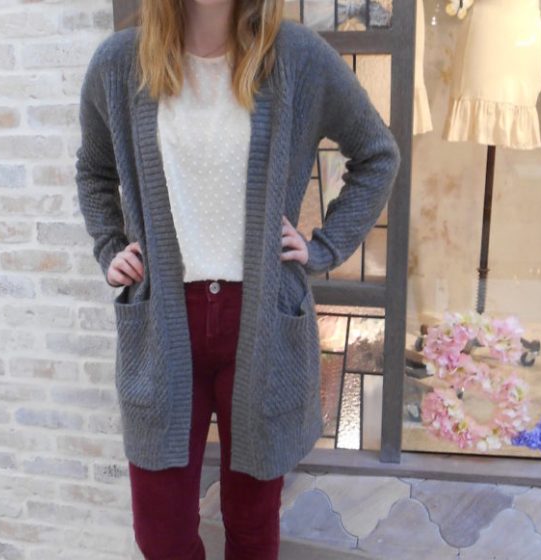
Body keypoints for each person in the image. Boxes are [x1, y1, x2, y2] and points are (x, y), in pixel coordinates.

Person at [75, 1, 401, 558]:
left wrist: (322, 246)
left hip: (261, 322)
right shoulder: (120, 63)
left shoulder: (296, 57)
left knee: (251, 525)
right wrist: (110, 246)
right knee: (160, 531)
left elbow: (377, 153)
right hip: (162, 322)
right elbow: (94, 169)